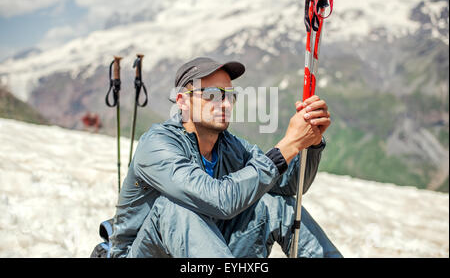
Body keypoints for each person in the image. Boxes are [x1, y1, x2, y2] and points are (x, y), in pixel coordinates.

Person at [109, 57, 342, 258]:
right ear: (182, 101)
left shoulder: (230, 146)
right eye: (211, 94)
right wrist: (287, 144)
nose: (224, 103)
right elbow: (218, 200)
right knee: (177, 207)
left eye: (229, 95)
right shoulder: (158, 144)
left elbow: (287, 185)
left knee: (275, 204)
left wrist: (309, 144)